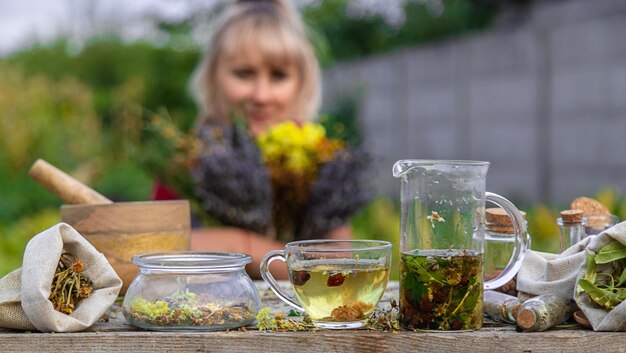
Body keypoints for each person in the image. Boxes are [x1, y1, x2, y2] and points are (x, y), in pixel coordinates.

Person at [159, 0, 371, 279]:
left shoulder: (319, 161)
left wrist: (237, 246)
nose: (261, 95)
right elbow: (159, 250)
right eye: (244, 74)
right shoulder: (189, 162)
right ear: (213, 78)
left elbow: (339, 266)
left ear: (302, 83)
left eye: (279, 76)